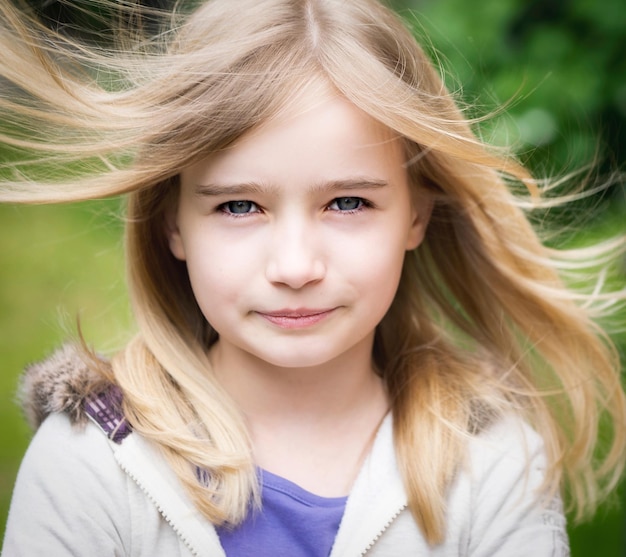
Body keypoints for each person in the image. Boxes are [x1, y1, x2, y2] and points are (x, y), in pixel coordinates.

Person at [1, 0, 624, 555]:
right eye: (239, 207)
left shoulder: (493, 465)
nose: (295, 268)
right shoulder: (90, 463)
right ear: (173, 226)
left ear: (416, 215)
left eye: (348, 203)